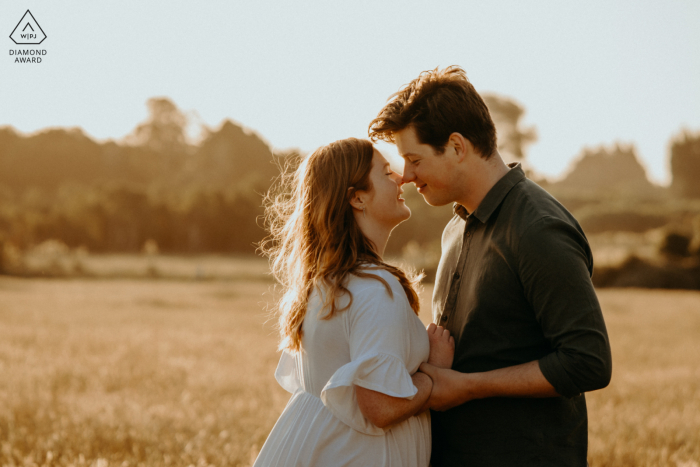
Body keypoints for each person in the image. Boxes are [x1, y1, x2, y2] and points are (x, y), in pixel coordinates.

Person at [369, 66, 613, 466]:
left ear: (457, 146)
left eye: (414, 159)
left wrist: (469, 387)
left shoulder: (538, 228)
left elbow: (588, 361)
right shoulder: (455, 227)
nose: (407, 176)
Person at [253, 137, 454, 467]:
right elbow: (380, 405)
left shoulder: (327, 283)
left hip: (315, 445)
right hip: (354, 455)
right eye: (387, 172)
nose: (402, 178)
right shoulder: (375, 289)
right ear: (357, 197)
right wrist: (434, 374)